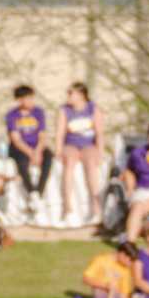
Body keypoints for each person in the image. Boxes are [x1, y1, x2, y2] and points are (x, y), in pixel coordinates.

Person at [53, 82, 107, 228]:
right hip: (71, 144)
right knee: (69, 162)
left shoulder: (93, 109)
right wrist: (58, 150)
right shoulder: (64, 110)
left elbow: (99, 132)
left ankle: (95, 204)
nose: (68, 96)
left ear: (81, 95)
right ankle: (67, 205)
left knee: (90, 163)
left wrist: (100, 151)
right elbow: (60, 132)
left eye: (71, 93)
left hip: (88, 144)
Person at [4, 85, 55, 223]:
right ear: (20, 100)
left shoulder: (39, 112)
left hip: (36, 146)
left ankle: (39, 192)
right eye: (27, 98)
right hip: (20, 147)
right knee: (22, 162)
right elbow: (15, 139)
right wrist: (30, 153)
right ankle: (31, 191)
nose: (31, 101)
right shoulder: (12, 115)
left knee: (49, 157)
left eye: (32, 98)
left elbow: (43, 135)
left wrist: (37, 151)